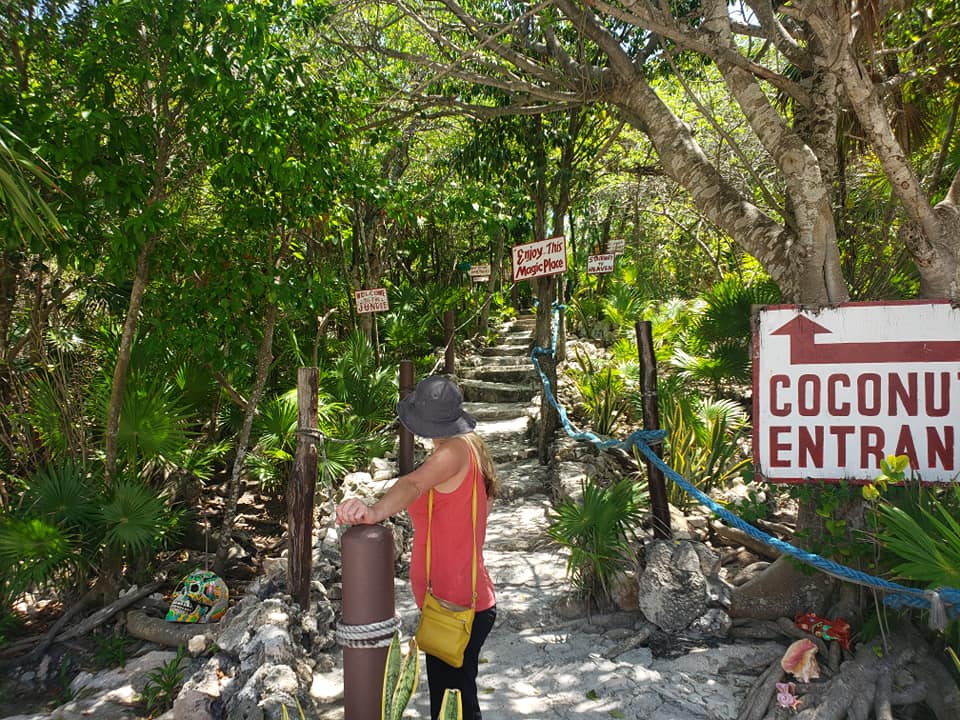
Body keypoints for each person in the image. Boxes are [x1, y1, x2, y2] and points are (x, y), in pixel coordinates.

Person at [336, 375, 499, 720]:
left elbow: (413, 483)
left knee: (454, 705)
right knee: (453, 699)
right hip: (448, 603)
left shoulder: (454, 451)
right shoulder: (463, 448)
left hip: (456, 607)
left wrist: (374, 511)